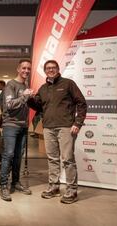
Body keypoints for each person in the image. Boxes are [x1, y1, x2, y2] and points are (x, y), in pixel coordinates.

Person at [28, 60, 87, 204]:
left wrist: (78, 123)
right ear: (45, 71)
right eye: (48, 68)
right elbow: (39, 107)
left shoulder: (68, 84)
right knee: (52, 159)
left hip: (66, 127)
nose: (51, 70)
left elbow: (82, 103)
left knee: (67, 159)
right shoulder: (42, 88)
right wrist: (28, 99)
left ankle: (72, 190)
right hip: (48, 127)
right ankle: (54, 187)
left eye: (53, 67)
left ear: (58, 69)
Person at [0, 59, 33, 201]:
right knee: (8, 154)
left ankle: (15, 182)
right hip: (11, 126)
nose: (26, 71)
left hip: (23, 126)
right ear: (18, 69)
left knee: (18, 156)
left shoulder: (25, 84)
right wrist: (25, 96)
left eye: (28, 69)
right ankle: (3, 186)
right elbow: (9, 105)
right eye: (24, 68)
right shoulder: (11, 85)